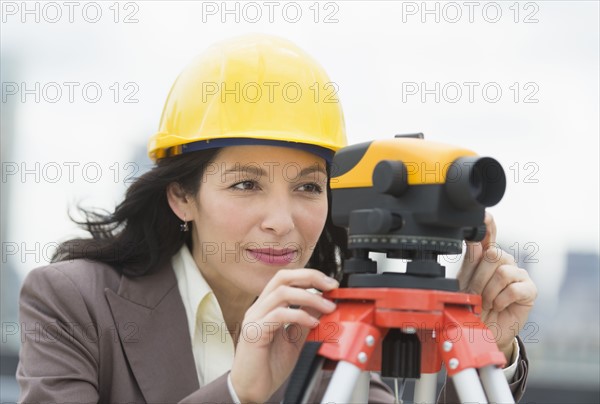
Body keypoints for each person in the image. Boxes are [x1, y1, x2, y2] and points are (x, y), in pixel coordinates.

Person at [17, 34, 537, 403]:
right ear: (181, 195)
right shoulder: (73, 303)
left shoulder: (329, 321)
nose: (281, 221)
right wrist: (238, 393)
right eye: (246, 185)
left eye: (309, 188)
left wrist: (484, 351)